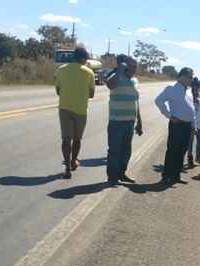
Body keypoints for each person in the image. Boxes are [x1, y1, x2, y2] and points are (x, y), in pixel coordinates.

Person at [54, 46, 95, 179]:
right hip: (81, 110)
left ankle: (67, 168)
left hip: (64, 109)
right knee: (77, 139)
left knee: (66, 139)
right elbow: (91, 94)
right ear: (83, 58)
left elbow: (58, 91)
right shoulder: (89, 72)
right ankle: (73, 161)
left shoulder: (61, 70)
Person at [104, 55, 143, 186]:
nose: (134, 69)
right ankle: (112, 178)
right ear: (124, 66)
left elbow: (136, 101)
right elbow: (110, 85)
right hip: (116, 121)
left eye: (135, 67)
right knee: (114, 150)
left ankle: (122, 174)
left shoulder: (135, 81)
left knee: (126, 150)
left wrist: (139, 122)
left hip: (130, 121)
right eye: (131, 66)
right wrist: (119, 70)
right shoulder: (115, 76)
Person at [154, 67, 195, 184]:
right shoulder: (172, 88)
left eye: (191, 77)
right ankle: (166, 175)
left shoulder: (188, 90)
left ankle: (176, 176)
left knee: (182, 151)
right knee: (173, 150)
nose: (191, 79)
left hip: (187, 125)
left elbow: (191, 109)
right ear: (182, 76)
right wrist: (169, 116)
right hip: (177, 125)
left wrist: (193, 124)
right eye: (189, 77)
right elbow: (158, 101)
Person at [186, 78, 200, 168]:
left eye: (197, 87)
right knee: (190, 142)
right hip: (191, 123)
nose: (195, 90)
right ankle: (190, 159)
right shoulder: (188, 96)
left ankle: (198, 158)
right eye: (193, 88)